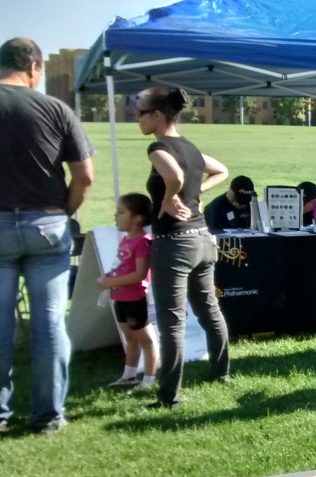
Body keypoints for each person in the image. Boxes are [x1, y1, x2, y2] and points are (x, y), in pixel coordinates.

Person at [0, 38, 94, 434]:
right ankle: (47, 415)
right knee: (50, 325)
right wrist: (63, 213)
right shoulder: (56, 108)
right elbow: (84, 176)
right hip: (47, 225)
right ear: (35, 67)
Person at [137, 86, 230, 408]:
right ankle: (221, 372)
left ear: (157, 115)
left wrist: (168, 197)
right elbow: (222, 171)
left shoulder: (158, 147)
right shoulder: (190, 147)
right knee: (208, 309)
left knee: (171, 319)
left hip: (173, 242)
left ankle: (168, 397)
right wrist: (198, 193)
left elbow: (173, 175)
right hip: (203, 239)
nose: (136, 118)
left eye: (140, 112)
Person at [97, 193, 157, 393]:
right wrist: (109, 277)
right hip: (119, 298)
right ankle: (128, 377)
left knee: (146, 341)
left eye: (121, 212)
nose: (115, 215)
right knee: (130, 339)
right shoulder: (125, 240)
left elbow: (140, 274)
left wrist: (110, 281)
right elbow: (122, 266)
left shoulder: (143, 242)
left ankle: (149, 380)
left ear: (137, 218)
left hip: (134, 299)